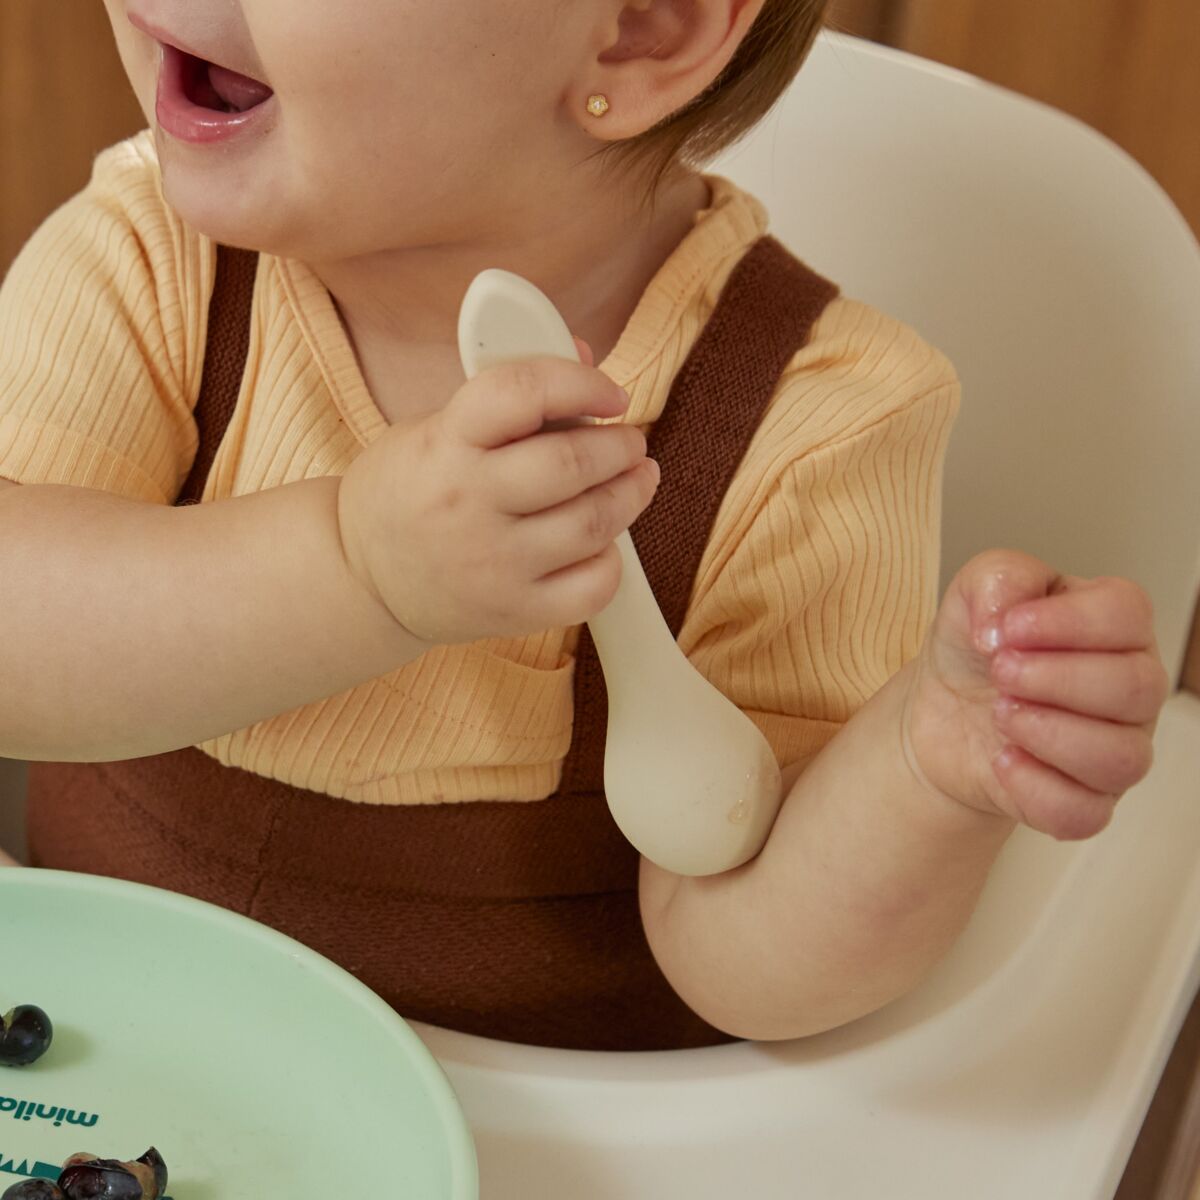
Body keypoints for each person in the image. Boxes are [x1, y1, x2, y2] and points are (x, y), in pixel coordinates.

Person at [0, 0, 1169, 1049]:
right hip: (108, 1067)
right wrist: (360, 570)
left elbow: (745, 963)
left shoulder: (811, 415)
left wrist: (927, 774)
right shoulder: (151, 259)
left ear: (642, 29)